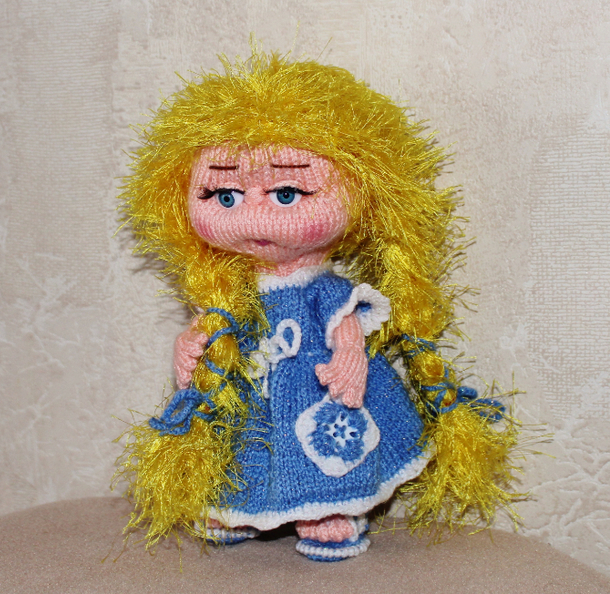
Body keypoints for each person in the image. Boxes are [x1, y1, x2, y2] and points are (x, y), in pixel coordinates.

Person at [116, 50, 518, 561]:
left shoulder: (320, 289)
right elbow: (213, 329)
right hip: (252, 389)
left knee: (322, 446)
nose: (254, 218)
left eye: (287, 193)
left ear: (362, 193)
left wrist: (350, 355)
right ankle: (234, 507)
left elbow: (344, 322)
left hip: (317, 388)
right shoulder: (230, 295)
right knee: (240, 443)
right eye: (225, 196)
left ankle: (326, 509)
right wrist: (189, 346)